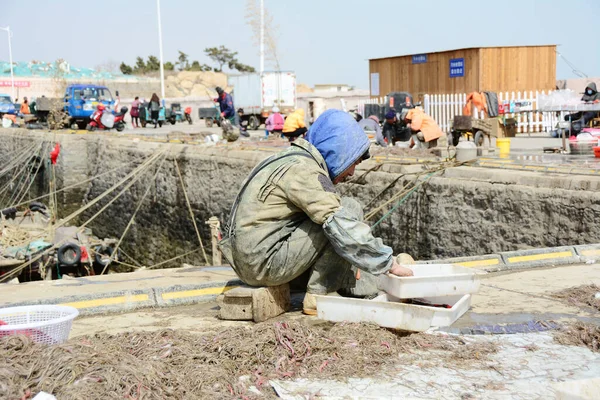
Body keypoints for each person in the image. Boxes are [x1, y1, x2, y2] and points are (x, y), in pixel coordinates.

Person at [219, 109, 413, 316]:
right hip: (264, 263)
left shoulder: (287, 159)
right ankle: (319, 295)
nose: (351, 173)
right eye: (353, 163)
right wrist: (387, 262)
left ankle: (358, 283)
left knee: (338, 228)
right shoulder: (305, 169)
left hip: (250, 261)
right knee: (346, 209)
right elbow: (338, 222)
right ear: (339, 150)